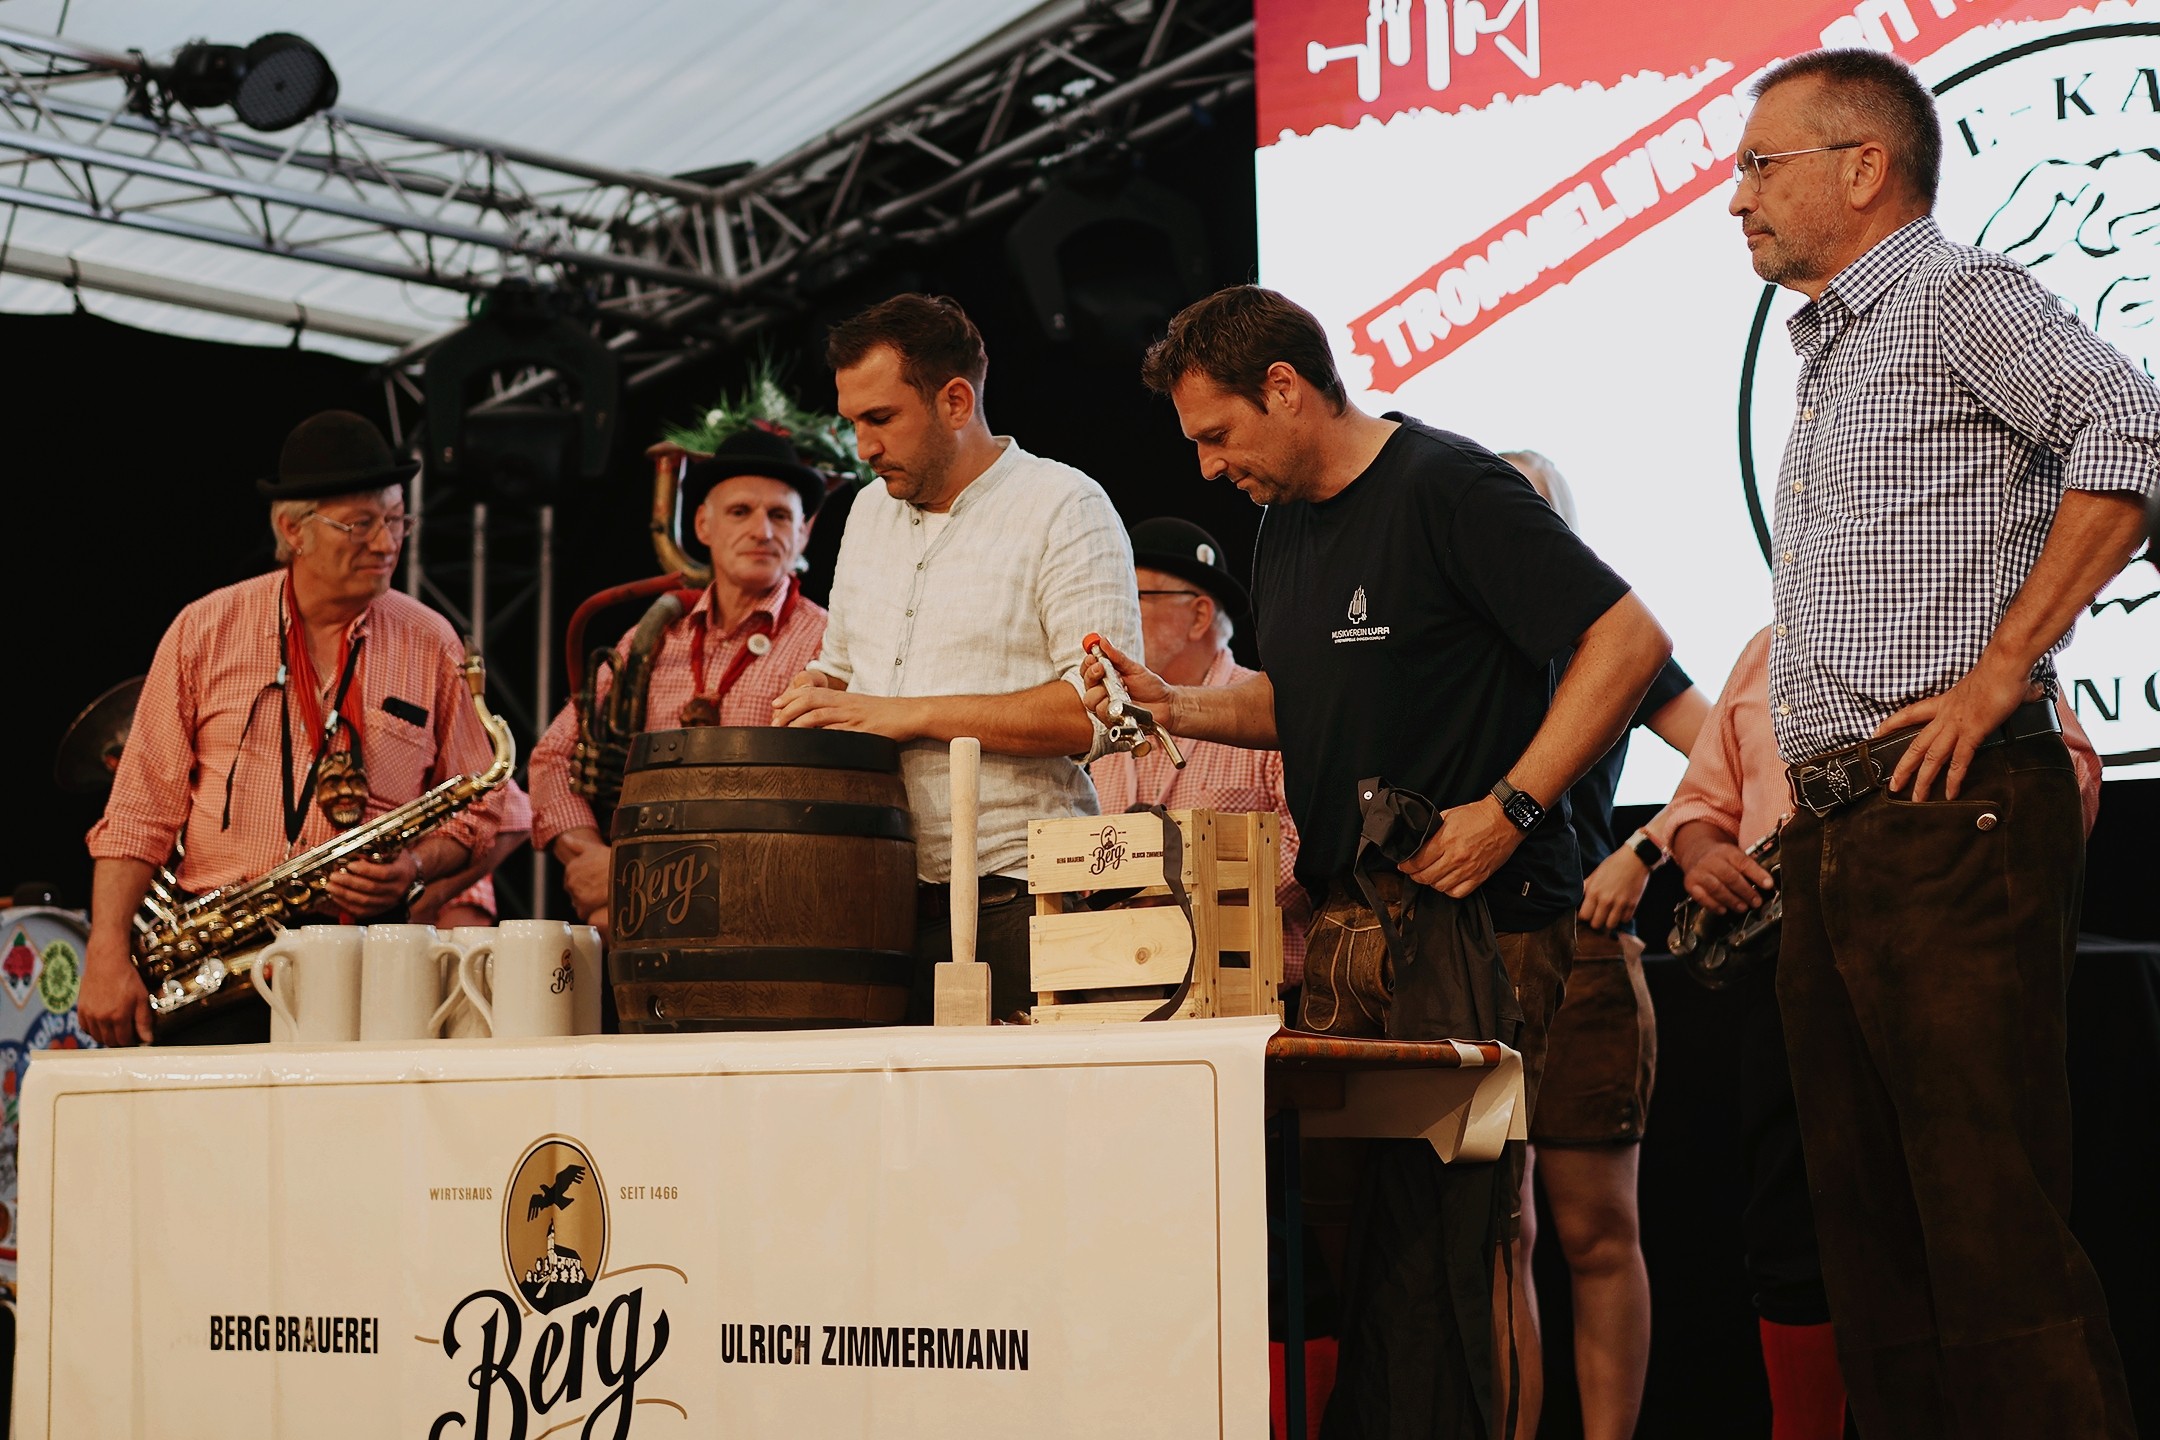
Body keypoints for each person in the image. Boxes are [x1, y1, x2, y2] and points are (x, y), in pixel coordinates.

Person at [1089, 285, 1672, 1438]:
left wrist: (1512, 806)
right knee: (1386, 1261)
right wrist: (1182, 707)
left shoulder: (1448, 485)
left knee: (1474, 1244)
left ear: (1286, 389)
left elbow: (1631, 638)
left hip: (1487, 926)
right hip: (1354, 937)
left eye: (1219, 435)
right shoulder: (1283, 522)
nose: (1209, 468)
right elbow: (1309, 707)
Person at [1730, 48, 2157, 1436]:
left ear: (1864, 167)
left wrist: (2004, 670)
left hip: (1952, 806)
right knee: (1872, 1244)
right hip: (1842, 828)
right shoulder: (1835, 348)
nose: (1736, 198)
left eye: (1760, 166)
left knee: (1986, 1229)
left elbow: (2132, 428)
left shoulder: (1952, 295)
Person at [1640, 626, 2102, 1440]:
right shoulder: (1770, 651)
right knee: (1794, 1227)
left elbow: (2069, 778)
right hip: (1789, 964)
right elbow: (1699, 806)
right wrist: (1704, 853)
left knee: (1973, 1214)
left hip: (1945, 953)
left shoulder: (1971, 640)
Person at [80, 410, 508, 1046]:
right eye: (360, 524)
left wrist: (414, 866)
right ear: (292, 530)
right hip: (223, 960)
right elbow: (139, 813)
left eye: (397, 520)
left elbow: (484, 811)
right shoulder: (204, 630)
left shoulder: (432, 640)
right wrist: (106, 953)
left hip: (376, 962)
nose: (386, 543)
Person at [773, 294, 1141, 1023]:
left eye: (881, 419)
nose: (863, 447)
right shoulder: (867, 512)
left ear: (954, 401)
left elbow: (1102, 712)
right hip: (868, 895)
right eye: (853, 422)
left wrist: (907, 715)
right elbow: (841, 665)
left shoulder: (1065, 505)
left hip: (1018, 896)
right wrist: (814, 689)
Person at [1499, 451, 1708, 1440]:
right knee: (1500, 1235)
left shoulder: (1603, 633)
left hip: (1581, 948)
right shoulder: (1445, 632)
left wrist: (1644, 848)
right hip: (1469, 945)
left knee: (1595, 1232)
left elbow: (1727, 746)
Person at [529, 426, 831, 930]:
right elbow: (553, 757)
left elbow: (814, 805)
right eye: (740, 511)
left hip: (763, 914)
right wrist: (590, 857)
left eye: (780, 515)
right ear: (703, 525)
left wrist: (625, 876)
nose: (762, 531)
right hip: (644, 920)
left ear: (803, 532)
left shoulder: (828, 645)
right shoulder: (651, 638)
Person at [1087, 516, 1311, 992]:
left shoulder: (1268, 712)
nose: (1117, 615)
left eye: (1135, 596)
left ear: (1200, 616)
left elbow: (1307, 850)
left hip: (1251, 998)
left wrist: (1176, 889)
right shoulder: (1110, 726)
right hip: (1118, 993)